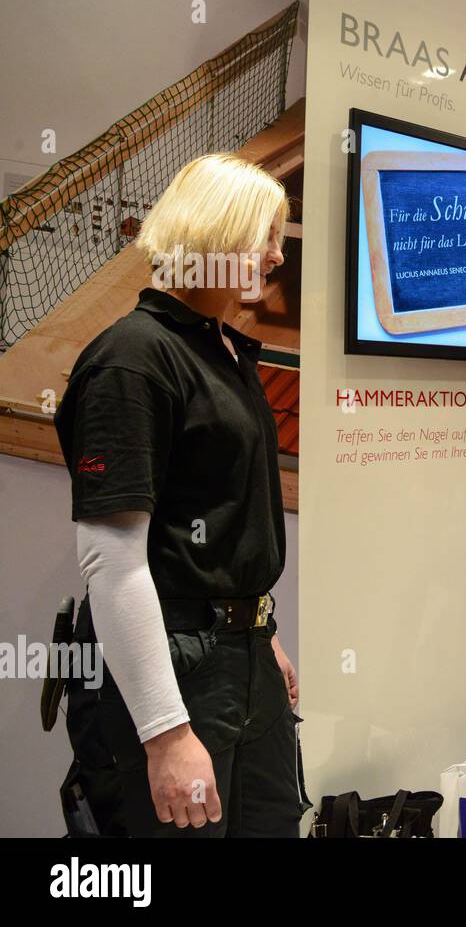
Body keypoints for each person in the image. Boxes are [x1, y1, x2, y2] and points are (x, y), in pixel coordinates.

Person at [53, 154, 301, 836]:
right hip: (173, 667)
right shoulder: (132, 358)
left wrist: (258, 629)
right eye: (266, 235)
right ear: (216, 232)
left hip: (243, 659)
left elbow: (224, 524)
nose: (277, 255)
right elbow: (113, 561)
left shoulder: (224, 353)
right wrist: (164, 732)